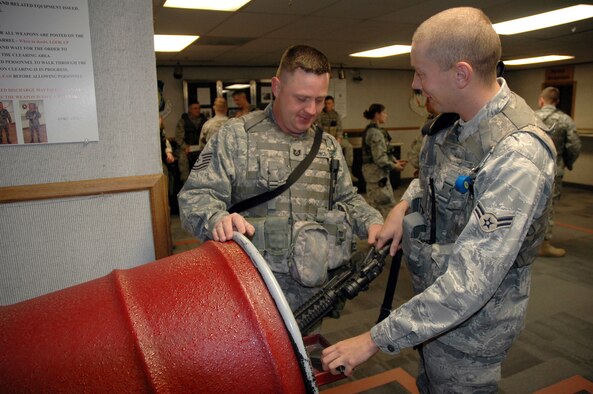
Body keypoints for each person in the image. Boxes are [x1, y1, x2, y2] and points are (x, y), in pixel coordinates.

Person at [321, 7, 556, 393]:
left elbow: (470, 284)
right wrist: (402, 206)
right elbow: (429, 182)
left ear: (460, 74)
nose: (416, 83)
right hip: (432, 309)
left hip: (472, 328)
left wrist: (372, 341)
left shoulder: (517, 156)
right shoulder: (455, 124)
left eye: (421, 72)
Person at [178, 44, 384, 315]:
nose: (311, 110)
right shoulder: (238, 136)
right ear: (276, 88)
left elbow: (347, 198)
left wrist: (373, 221)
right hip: (251, 293)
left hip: (314, 294)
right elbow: (194, 197)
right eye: (301, 98)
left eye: (319, 100)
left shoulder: (328, 146)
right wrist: (217, 219)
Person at [535, 86, 581, 257]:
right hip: (554, 170)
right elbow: (574, 145)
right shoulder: (565, 119)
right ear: (557, 101)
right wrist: (567, 162)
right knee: (548, 205)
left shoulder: (530, 116)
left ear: (541, 100)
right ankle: (543, 245)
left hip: (530, 167)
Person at [361, 103, 407, 217]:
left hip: (376, 174)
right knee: (385, 207)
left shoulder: (375, 130)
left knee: (377, 205)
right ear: (377, 114)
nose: (386, 115)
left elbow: (385, 151)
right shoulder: (375, 133)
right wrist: (394, 166)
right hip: (377, 175)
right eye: (384, 113)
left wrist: (395, 161)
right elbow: (380, 158)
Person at [317, 96, 356, 181]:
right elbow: (318, 128)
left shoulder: (336, 115)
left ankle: (349, 171)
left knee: (348, 146)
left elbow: (339, 128)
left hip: (335, 138)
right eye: (326, 103)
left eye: (329, 103)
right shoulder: (320, 115)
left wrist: (339, 138)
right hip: (324, 139)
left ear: (333, 104)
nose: (327, 105)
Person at [175, 102, 208, 181]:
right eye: (195, 108)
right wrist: (184, 146)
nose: (197, 110)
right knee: (183, 159)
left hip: (200, 147)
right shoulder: (183, 121)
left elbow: (207, 136)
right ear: (190, 109)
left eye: (199, 108)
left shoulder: (204, 120)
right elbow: (178, 137)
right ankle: (186, 182)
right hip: (186, 147)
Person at [408, 98, 438, 177]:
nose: (425, 105)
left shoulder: (443, 123)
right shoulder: (429, 121)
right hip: (424, 168)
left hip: (434, 170)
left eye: (427, 102)